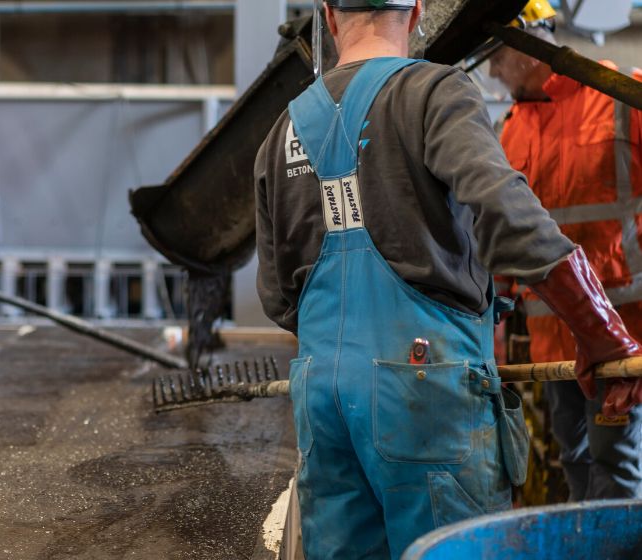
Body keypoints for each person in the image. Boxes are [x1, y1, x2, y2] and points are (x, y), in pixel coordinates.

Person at [253, 0, 642, 557]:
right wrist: (601, 330)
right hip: (425, 397)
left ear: (328, 17)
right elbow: (509, 219)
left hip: (322, 401)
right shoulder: (435, 93)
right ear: (415, 12)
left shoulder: (282, 129)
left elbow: (276, 293)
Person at [488, 1, 642, 501]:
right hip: (552, 339)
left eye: (496, 54)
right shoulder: (513, 127)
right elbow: (507, 235)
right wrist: (494, 316)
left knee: (614, 462)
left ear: (528, 45)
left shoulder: (621, 98)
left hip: (620, 336)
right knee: (572, 457)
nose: (490, 69)